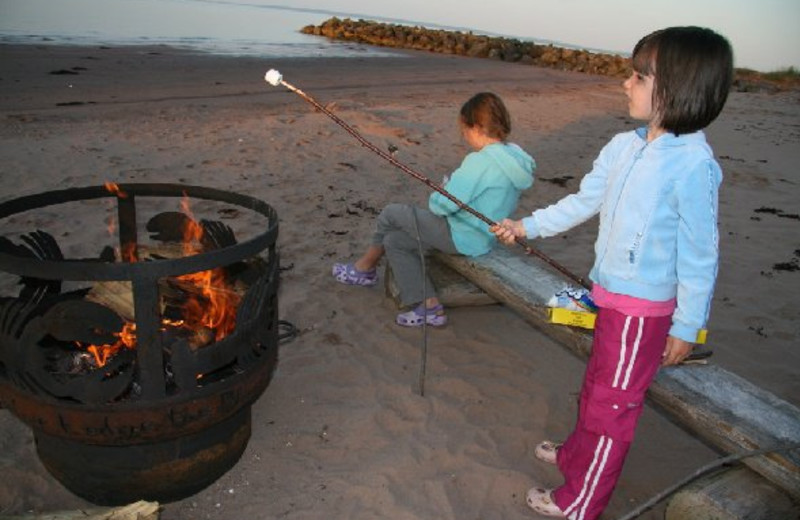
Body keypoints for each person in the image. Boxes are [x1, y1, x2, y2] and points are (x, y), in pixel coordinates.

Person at [492, 27, 733, 519]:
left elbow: (700, 255)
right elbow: (584, 201)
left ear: (678, 89)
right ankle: (576, 457)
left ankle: (581, 502)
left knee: (611, 410)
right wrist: (526, 226)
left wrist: (686, 326)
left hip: (642, 316)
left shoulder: (694, 166)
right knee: (596, 389)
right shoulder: (623, 145)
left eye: (639, 76)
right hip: (607, 298)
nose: (626, 84)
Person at [333, 92, 535, 327]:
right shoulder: (514, 157)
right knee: (395, 241)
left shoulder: (482, 161)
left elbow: (441, 206)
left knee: (391, 213)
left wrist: (444, 188)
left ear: (476, 127)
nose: (464, 136)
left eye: (465, 130)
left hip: (461, 235)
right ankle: (428, 307)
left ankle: (364, 269)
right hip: (483, 237)